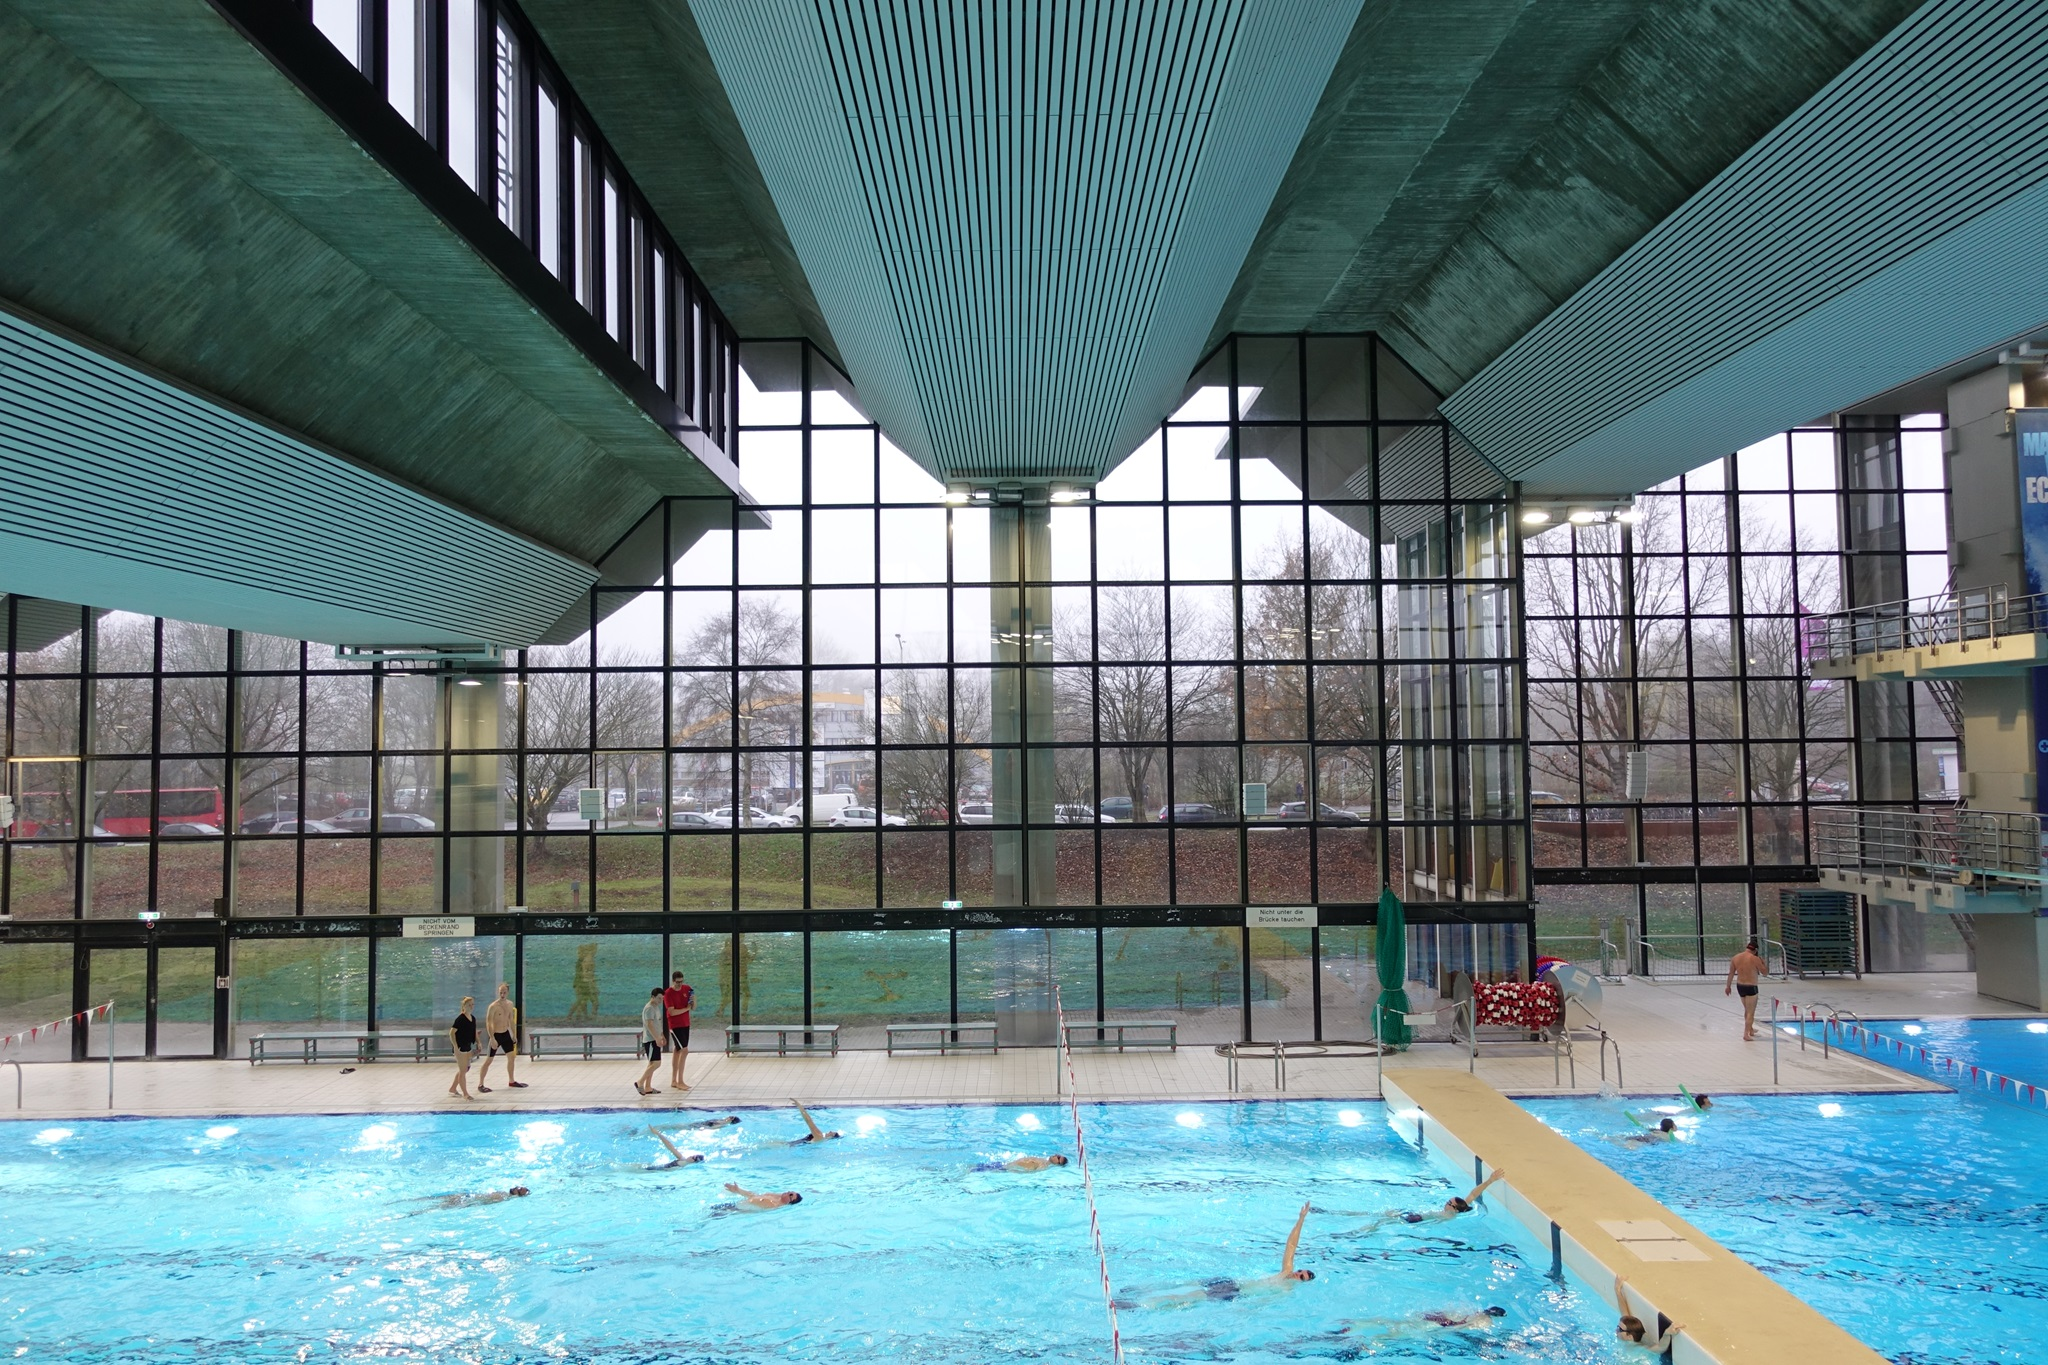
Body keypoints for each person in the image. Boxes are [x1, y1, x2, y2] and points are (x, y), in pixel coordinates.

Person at [1114, 1202, 1313, 1308]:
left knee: (1184, 1298)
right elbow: (1291, 1245)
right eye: (1300, 1271)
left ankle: (1138, 1305)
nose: (1297, 1274)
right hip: (1232, 1282)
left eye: (1301, 1277)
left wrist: (1244, 1310)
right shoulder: (1286, 1271)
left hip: (1234, 1294)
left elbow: (1263, 1303)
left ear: (1302, 1283)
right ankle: (1137, 1290)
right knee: (1183, 1283)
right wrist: (1301, 1219)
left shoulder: (1285, 1290)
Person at [1334, 1169, 1505, 1236]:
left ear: (1453, 1208)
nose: (1446, 1202)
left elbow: (1430, 1224)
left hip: (1413, 1219)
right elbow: (1473, 1194)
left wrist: (1403, 1219)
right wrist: (1490, 1180)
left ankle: (1355, 1233)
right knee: (1377, 1214)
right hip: (1412, 1215)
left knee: (1380, 1221)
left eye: (1448, 1202)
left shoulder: (1448, 1216)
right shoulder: (1458, 1208)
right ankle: (1344, 1214)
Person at [476, 983, 526, 1093]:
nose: (502, 995)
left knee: (511, 1058)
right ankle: (480, 1084)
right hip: (496, 1035)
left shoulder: (510, 1004)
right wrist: (492, 1038)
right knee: (489, 1060)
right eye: (500, 993)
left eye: (504, 993)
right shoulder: (493, 1006)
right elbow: (489, 1023)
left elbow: (511, 1020)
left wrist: (514, 1035)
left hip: (505, 1034)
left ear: (508, 992)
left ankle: (511, 1081)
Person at [1614, 1276, 1682, 1353]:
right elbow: (1624, 1312)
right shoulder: (1626, 1336)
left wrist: (1666, 1334)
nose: (1616, 1330)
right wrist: (1617, 1290)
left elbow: (1661, 1347)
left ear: (1629, 1337)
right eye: (1618, 1327)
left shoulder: (1638, 1350)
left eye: (1619, 1329)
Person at [1725, 940, 1766, 1041]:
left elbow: (1731, 973)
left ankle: (1750, 1030)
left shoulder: (1736, 957)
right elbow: (1765, 973)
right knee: (1750, 1012)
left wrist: (1728, 986)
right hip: (1751, 986)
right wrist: (1763, 963)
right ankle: (1746, 1034)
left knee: (1747, 1010)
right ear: (1755, 950)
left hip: (1740, 986)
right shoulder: (1755, 958)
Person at [664, 971, 695, 1092]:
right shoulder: (668, 993)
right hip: (675, 1025)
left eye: (681, 982)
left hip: (685, 1024)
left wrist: (693, 1001)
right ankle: (680, 1081)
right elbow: (672, 1012)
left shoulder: (687, 989)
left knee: (677, 1050)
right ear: (673, 981)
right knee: (684, 1050)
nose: (680, 984)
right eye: (677, 982)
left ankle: (673, 1080)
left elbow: (693, 1007)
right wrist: (686, 1009)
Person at [634, 987, 665, 1096]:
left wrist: (661, 1035)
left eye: (662, 999)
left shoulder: (655, 1007)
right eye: (659, 998)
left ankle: (648, 1087)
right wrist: (656, 1038)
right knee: (656, 1063)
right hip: (651, 1040)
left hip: (655, 1038)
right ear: (652, 997)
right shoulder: (649, 1008)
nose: (660, 1001)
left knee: (652, 1063)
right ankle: (640, 1082)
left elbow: (657, 1023)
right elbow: (650, 1025)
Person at [447, 996, 478, 1100]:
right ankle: (465, 1094)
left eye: (472, 1005)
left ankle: (452, 1088)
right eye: (469, 1005)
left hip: (467, 1046)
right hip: (460, 1047)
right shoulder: (460, 1019)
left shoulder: (473, 1018)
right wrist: (455, 1047)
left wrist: (479, 1042)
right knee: (463, 1070)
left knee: (465, 1069)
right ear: (464, 1006)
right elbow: (452, 1033)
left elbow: (474, 1032)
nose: (471, 1007)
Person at [414, 1186, 530, 1213]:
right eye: (519, 1187)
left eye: (520, 1190)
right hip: (466, 1196)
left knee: (435, 1207)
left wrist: (466, 1204)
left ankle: (415, 1213)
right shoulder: (503, 1194)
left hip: (466, 1200)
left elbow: (482, 1203)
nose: (517, 1187)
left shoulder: (503, 1198)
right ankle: (409, 1201)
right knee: (429, 1199)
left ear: (518, 1195)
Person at [720, 1181, 802, 1211]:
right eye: (790, 1191)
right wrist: (738, 1190)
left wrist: (739, 1191)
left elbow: (752, 1200)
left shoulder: (773, 1205)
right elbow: (753, 1195)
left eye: (791, 1194)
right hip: (735, 1205)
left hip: (734, 1209)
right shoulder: (775, 1197)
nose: (788, 1192)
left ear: (789, 1202)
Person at [972, 1153, 1070, 1173]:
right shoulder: (1043, 1160)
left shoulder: (1043, 1166)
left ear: (1057, 1164)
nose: (1056, 1155)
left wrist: (1013, 1170)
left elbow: (1029, 1173)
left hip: (1005, 1169)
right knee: (975, 1167)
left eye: (1058, 1158)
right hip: (1005, 1164)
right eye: (1058, 1155)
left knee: (973, 1170)